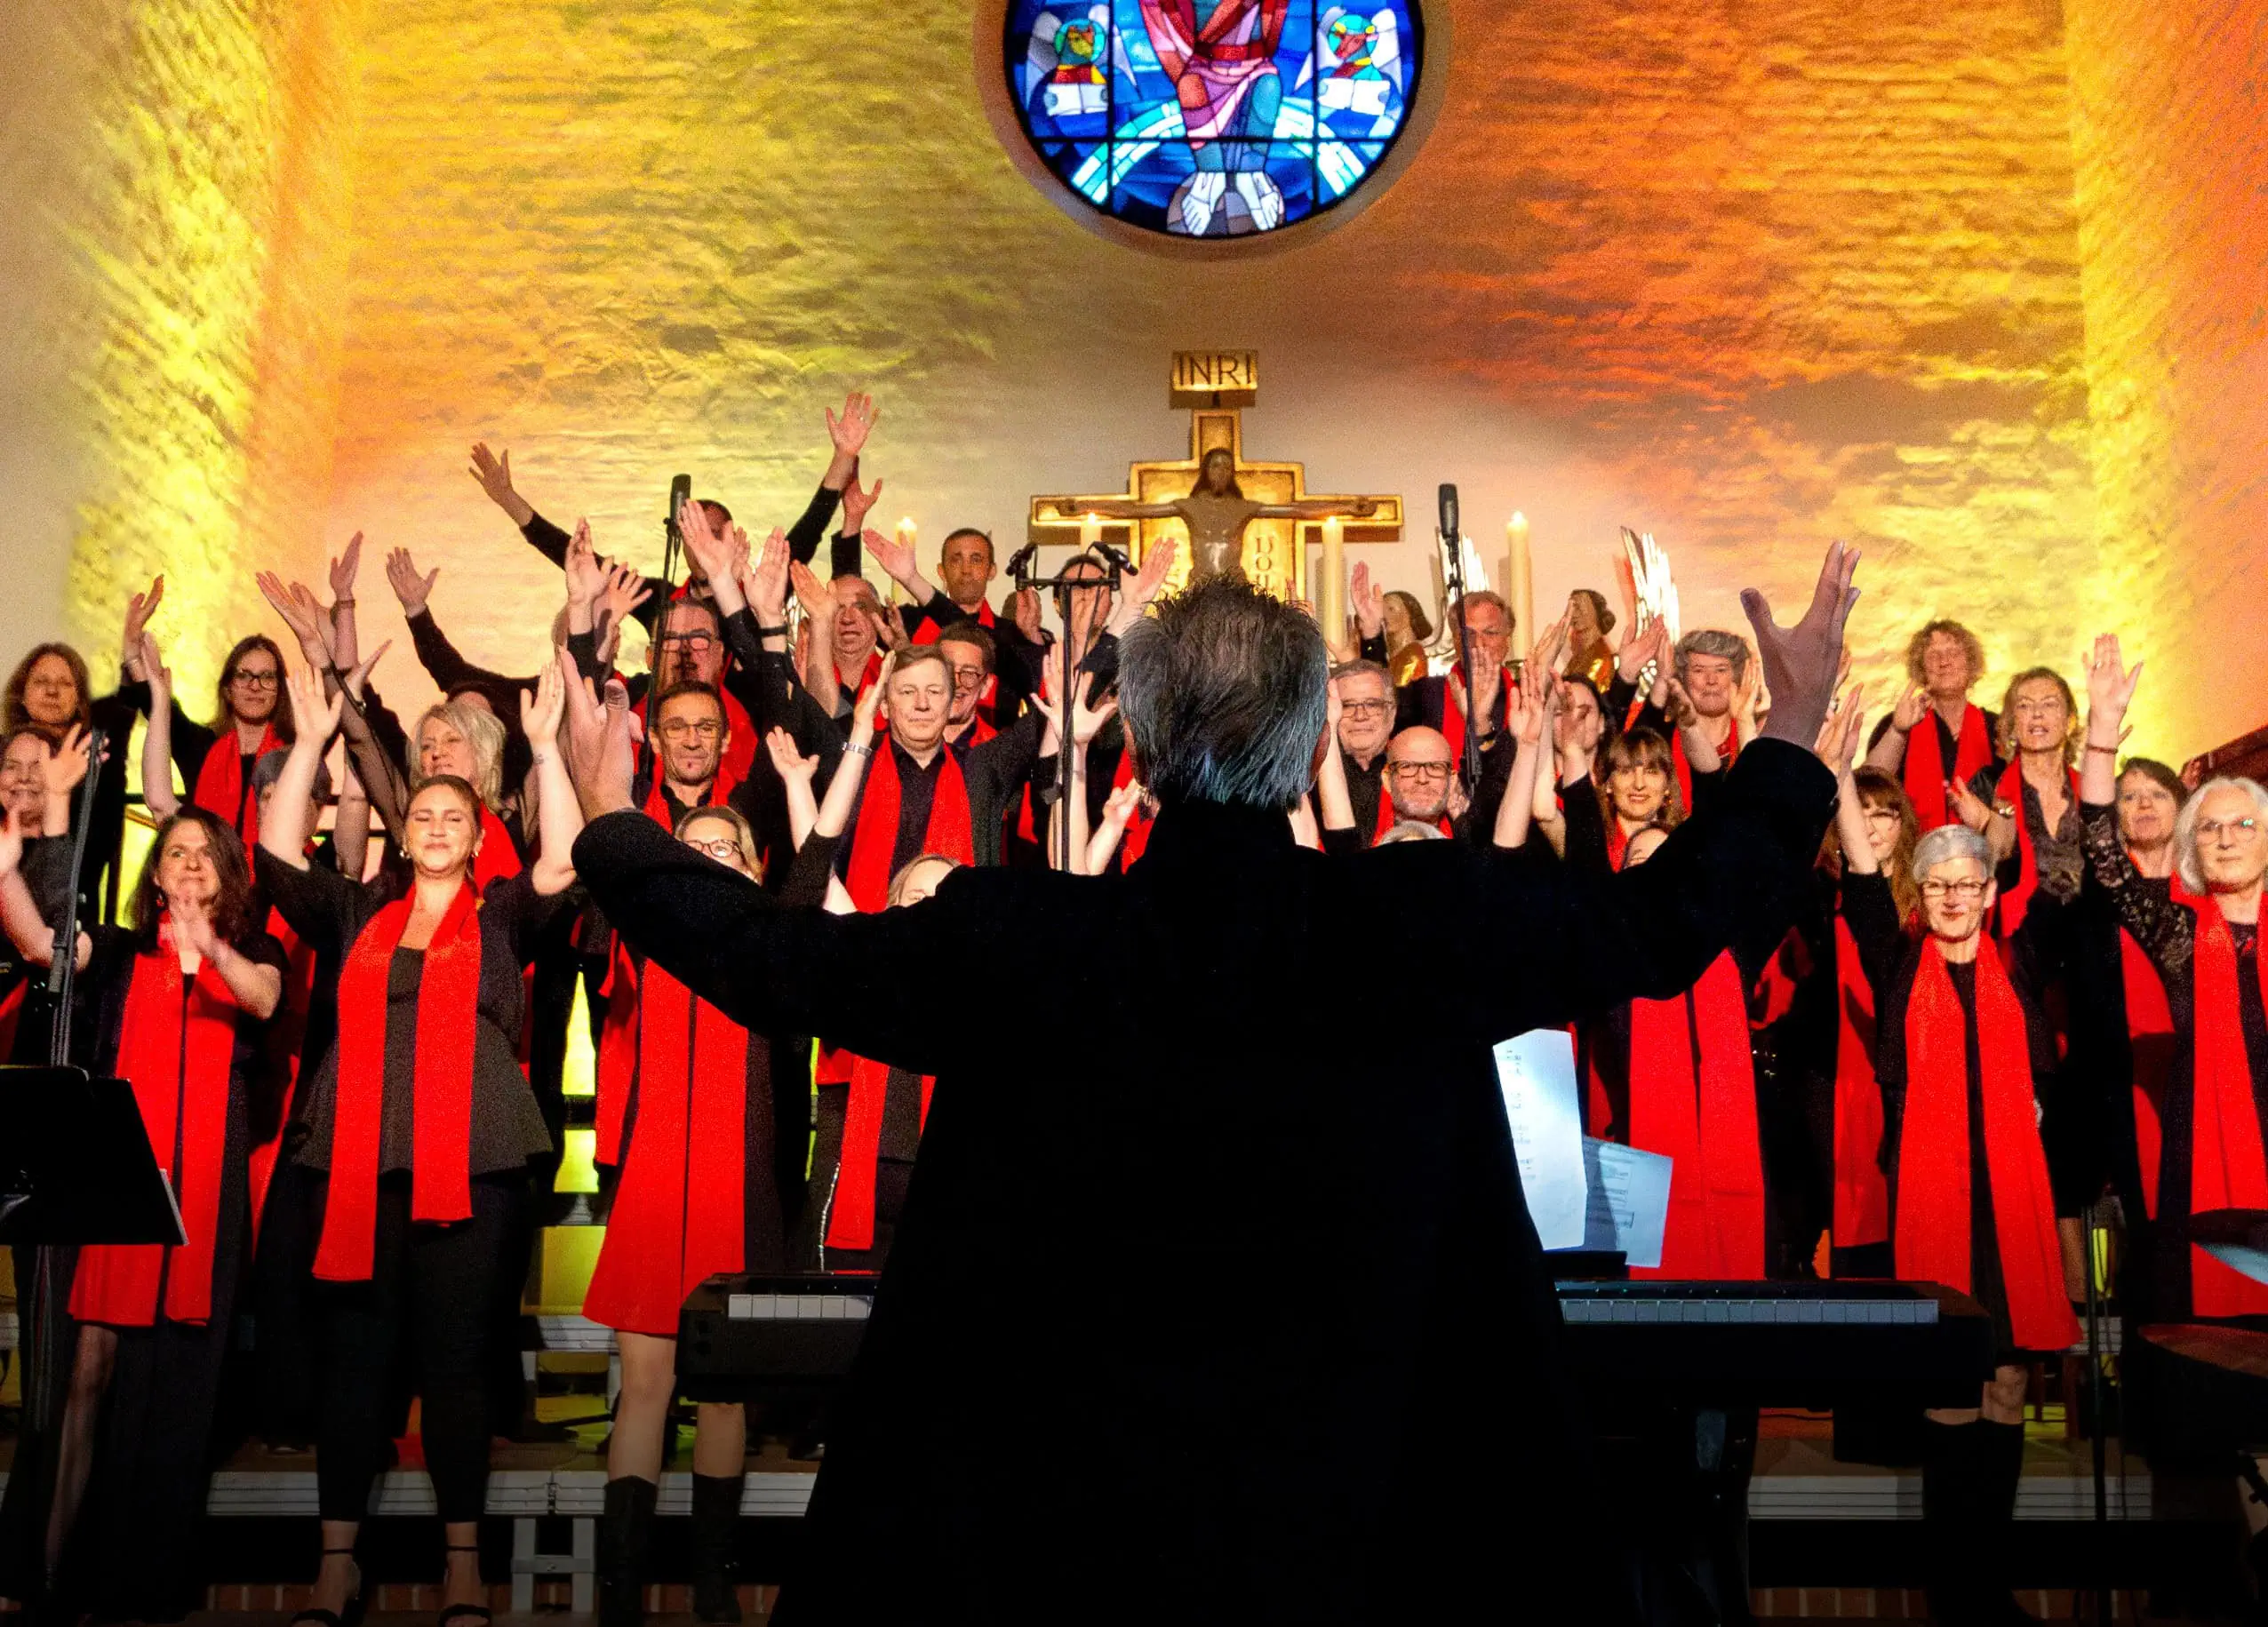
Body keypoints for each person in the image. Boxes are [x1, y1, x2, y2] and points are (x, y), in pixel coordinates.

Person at [559, 545, 1862, 1623]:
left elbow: (768, 959)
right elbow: (1673, 921)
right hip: (1378, 1536)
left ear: (1143, 746)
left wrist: (611, 816)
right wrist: (1789, 737)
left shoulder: (1020, 937)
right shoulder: (1415, 920)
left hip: (1064, 1552)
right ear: (1308, 755)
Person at [257, 658, 584, 1627]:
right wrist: (312, 744)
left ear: (478, 831)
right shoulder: (361, 910)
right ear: (401, 835)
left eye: (453, 817)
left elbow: (564, 857)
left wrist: (551, 744)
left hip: (475, 1167)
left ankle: (463, 1568)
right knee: (356, 1363)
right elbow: (277, 858)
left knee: (455, 1363)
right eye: (422, 817)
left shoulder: (505, 914)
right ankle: (334, 1566)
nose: (436, 828)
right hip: (356, 1163)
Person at [0, 803, 284, 1622]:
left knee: (176, 1393)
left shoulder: (250, 953)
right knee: (88, 1369)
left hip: (203, 1199)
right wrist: (7, 873)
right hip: (117, 1187)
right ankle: (49, 1578)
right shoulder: (122, 954)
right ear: (154, 874)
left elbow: (263, 1000)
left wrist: (211, 947)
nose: (191, 865)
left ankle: (140, 1590)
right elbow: (41, 947)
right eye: (176, 853)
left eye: (207, 855)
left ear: (229, 876)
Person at [1841, 813, 2077, 1623]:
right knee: (1952, 1387)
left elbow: (2070, 877)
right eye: (1936, 882)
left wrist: (2098, 749)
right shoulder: (1899, 962)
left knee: (2009, 1382)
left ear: (1987, 890)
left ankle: (1990, 1582)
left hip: (2013, 1202)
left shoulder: (2019, 957)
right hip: (1936, 1201)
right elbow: (1865, 885)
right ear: (1924, 893)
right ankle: (1954, 1593)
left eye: (1965, 882)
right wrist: (1840, 783)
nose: (1950, 895)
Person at [586, 802, 815, 1627]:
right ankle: (620, 1589)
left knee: (724, 1397)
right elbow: (607, 861)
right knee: (643, 1387)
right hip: (656, 1179)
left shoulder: (773, 944)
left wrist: (822, 772)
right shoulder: (647, 937)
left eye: (728, 846)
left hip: (739, 1186)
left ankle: (712, 1582)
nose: (713, 857)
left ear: (753, 866)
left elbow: (816, 869)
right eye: (694, 849)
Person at [2078, 638, 2268, 1327]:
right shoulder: (2179, 934)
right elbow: (2103, 852)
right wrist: (2101, 735)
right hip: (2204, 1152)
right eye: (2209, 827)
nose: (2225, 837)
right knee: (2211, 1328)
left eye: (2243, 823)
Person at [465, 393, 875, 628]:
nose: (702, 542)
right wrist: (509, 501)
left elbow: (812, 524)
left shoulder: (761, 592)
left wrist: (842, 456)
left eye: (713, 532)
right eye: (692, 532)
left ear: (734, 540)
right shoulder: (661, 599)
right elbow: (576, 559)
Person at [1042, 447, 1375, 586]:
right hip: (1199, 584)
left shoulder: (1243, 507)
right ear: (1206, 470)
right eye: (1216, 465)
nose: (1222, 471)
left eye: (1227, 467)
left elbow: (1295, 510)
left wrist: (1345, 508)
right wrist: (1087, 508)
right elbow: (1138, 510)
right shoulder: (1190, 505)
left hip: (1234, 583)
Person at [1865, 619, 1999, 831]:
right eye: (1933, 655)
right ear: (1922, 668)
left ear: (1971, 662)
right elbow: (1869, 788)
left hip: (1983, 855)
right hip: (1912, 856)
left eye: (1953, 653)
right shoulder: (1900, 721)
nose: (1944, 662)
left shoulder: (1997, 727)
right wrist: (1898, 731)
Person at [1328, 659, 1395, 841]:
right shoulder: (1309, 778)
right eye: (1348, 706)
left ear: (1392, 713)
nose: (1360, 716)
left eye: (1372, 704)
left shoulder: (1413, 770)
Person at [1563, 587, 1619, 690]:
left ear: (1594, 611)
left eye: (1577, 607)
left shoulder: (1601, 657)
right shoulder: (1578, 658)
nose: (1572, 614)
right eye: (1570, 608)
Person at [1378, 588, 1433, 686]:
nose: (1385, 615)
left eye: (1391, 609)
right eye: (1382, 611)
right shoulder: (1393, 655)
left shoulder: (1413, 653)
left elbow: (1398, 689)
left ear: (1408, 614)